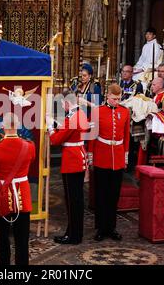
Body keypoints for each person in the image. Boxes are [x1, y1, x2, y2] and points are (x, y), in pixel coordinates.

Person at [0, 112, 35, 265]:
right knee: (22, 240)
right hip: (23, 197)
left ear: (2, 126)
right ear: (18, 125)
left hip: (2, 198)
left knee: (3, 238)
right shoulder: (30, 147)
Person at [88, 84, 129, 241]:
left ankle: (111, 228)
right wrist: (91, 157)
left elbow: (126, 136)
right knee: (101, 195)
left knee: (114, 195)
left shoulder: (125, 111)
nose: (116, 102)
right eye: (114, 99)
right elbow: (91, 136)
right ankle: (100, 228)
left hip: (117, 158)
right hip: (101, 156)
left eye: (119, 99)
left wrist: (125, 157)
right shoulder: (97, 111)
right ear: (107, 96)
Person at [47, 90, 89, 245]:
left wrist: (50, 127)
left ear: (66, 102)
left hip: (72, 160)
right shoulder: (79, 113)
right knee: (76, 199)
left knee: (73, 201)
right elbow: (69, 130)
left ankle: (74, 236)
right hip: (78, 156)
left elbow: (56, 140)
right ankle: (73, 232)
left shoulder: (72, 117)